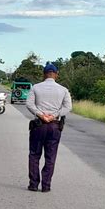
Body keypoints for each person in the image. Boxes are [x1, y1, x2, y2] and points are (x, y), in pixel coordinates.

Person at [26, 62, 72, 193]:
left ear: (44, 75)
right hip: (54, 126)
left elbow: (29, 104)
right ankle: (46, 185)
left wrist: (41, 114)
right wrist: (53, 116)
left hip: (39, 125)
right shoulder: (63, 90)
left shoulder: (35, 87)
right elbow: (68, 107)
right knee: (50, 156)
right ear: (56, 75)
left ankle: (33, 184)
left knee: (34, 154)